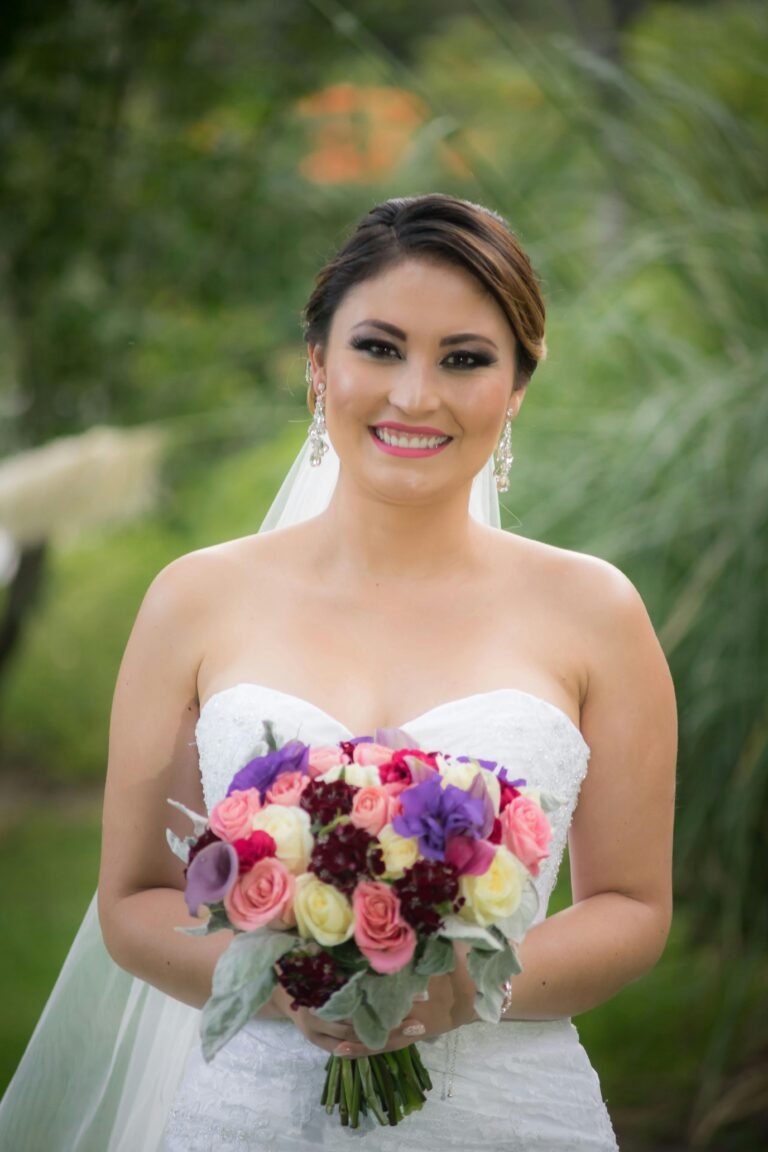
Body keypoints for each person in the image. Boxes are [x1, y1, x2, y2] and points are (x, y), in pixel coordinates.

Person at [0, 193, 676, 1151]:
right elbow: (133, 900)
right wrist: (291, 983)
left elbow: (632, 907)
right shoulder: (195, 601)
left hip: (514, 1116)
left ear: (518, 383)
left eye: (466, 359)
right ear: (318, 364)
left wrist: (451, 994)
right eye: (380, 348)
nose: (415, 395)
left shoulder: (595, 612)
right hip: (252, 1116)